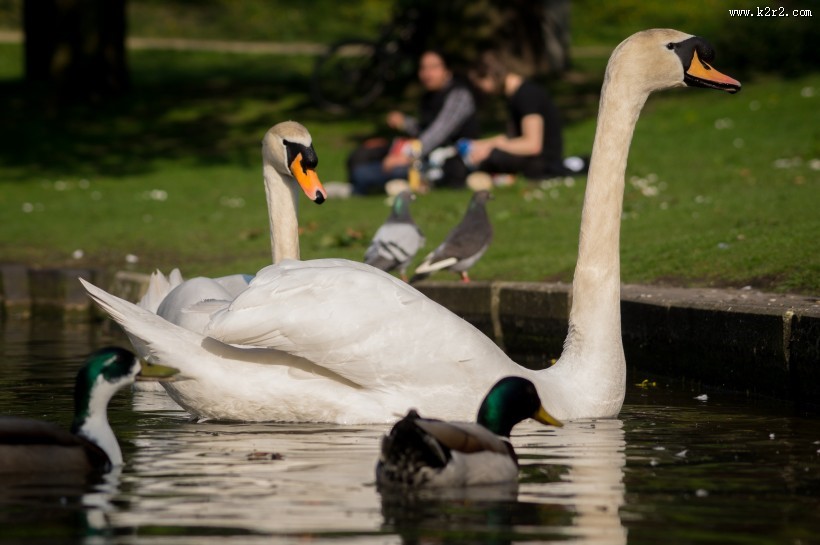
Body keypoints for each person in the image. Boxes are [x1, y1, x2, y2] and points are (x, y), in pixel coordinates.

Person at [348, 50, 480, 195]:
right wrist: (405, 122)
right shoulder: (429, 96)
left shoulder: (459, 95)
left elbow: (439, 133)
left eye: (434, 67)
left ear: (447, 70)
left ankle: (359, 191)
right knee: (359, 158)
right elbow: (424, 130)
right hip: (423, 156)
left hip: (447, 162)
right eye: (423, 68)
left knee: (363, 174)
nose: (427, 73)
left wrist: (407, 155)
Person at [465, 51, 585, 181]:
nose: (481, 89)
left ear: (490, 75)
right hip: (533, 158)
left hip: (542, 161)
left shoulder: (526, 95)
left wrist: (493, 148)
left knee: (493, 157)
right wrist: (483, 144)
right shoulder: (515, 96)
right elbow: (513, 138)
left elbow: (532, 145)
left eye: (480, 83)